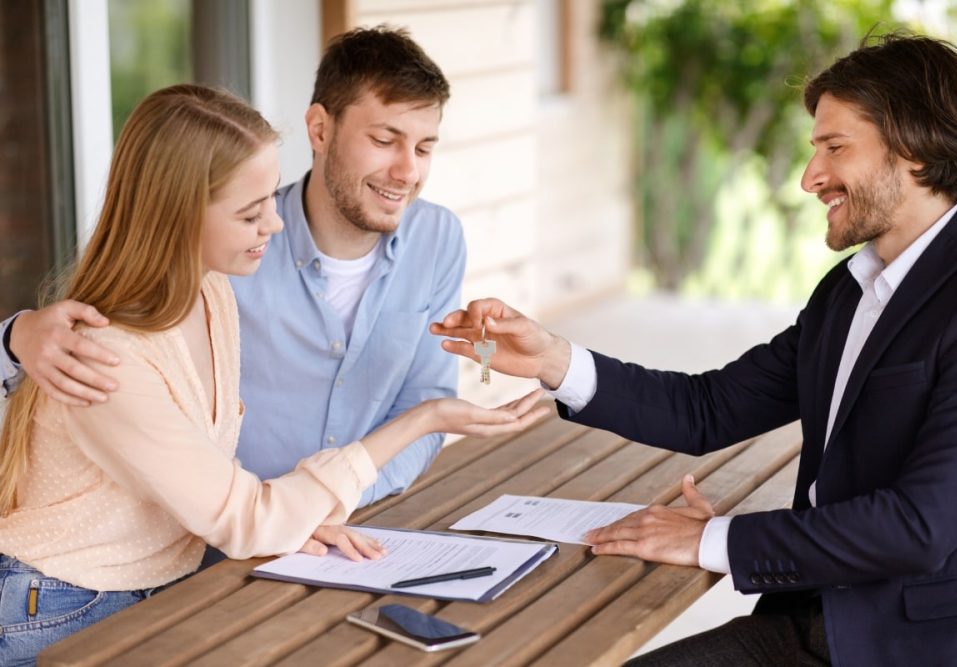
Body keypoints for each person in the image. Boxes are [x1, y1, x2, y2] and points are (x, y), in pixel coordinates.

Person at [431, 33, 957, 666]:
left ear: (916, 151)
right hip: (808, 625)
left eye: (834, 148)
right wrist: (551, 360)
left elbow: (918, 527)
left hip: (916, 648)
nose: (811, 177)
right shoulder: (849, 290)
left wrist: (713, 540)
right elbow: (711, 408)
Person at [0, 84, 547, 665]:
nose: (276, 224)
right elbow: (243, 518)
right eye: (250, 212)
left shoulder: (211, 293)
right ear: (178, 215)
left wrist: (294, 522)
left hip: (163, 585)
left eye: (270, 201)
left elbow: (215, 485)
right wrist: (424, 420)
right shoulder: (108, 356)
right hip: (61, 611)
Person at [0, 25, 462, 510]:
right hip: (218, 544)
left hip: (344, 525)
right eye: (385, 140)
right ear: (320, 130)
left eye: (425, 148)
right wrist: (15, 338)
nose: (409, 171)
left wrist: (325, 504)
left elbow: (425, 398)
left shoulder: (437, 239)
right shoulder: (229, 250)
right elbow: (105, 339)